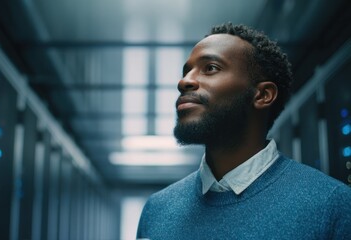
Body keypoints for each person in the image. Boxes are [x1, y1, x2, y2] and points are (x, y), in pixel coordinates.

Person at [136, 23, 351, 240]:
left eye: (210, 68)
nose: (184, 82)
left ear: (262, 95)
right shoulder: (157, 210)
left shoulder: (332, 206)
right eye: (186, 71)